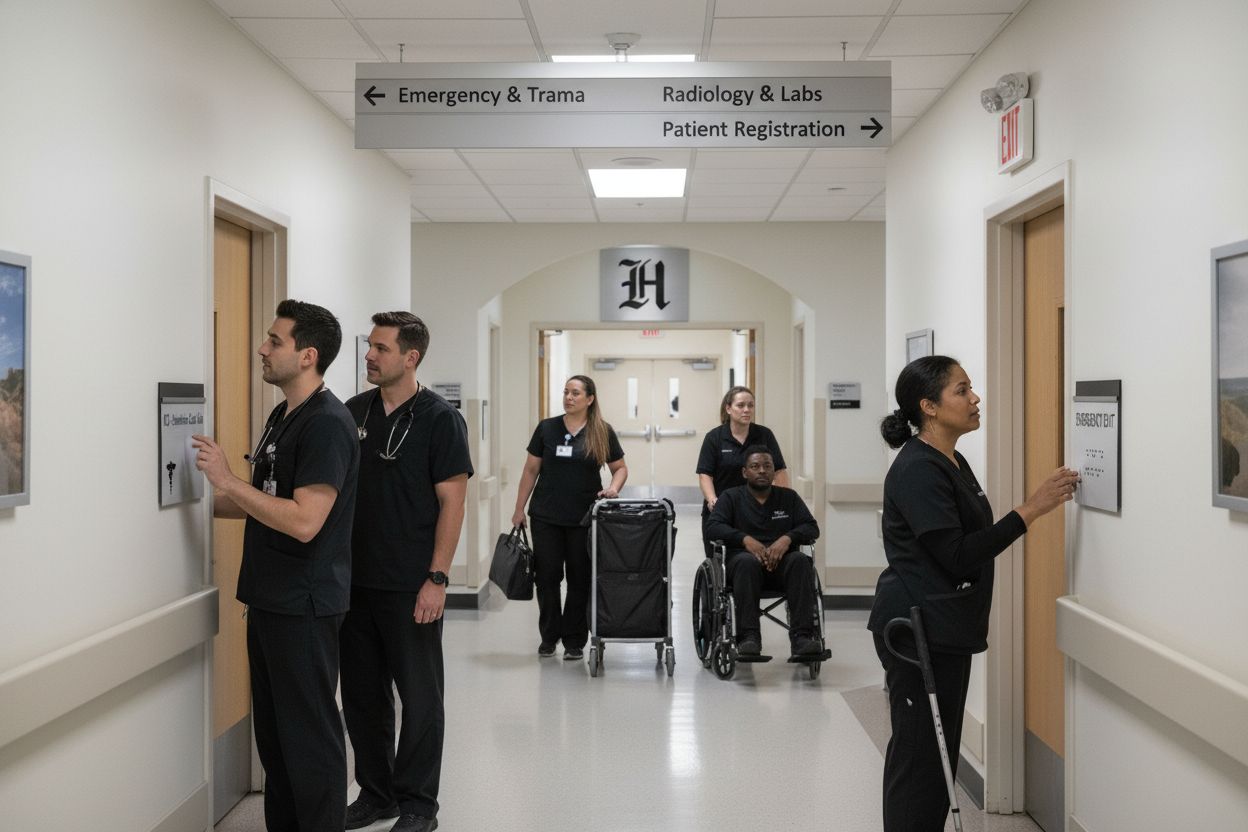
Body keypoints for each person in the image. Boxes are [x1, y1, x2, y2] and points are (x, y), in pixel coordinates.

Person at [869, 356, 1079, 832]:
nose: (975, 398)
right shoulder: (918, 469)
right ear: (929, 407)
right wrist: (1031, 508)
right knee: (919, 757)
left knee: (935, 756)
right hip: (915, 630)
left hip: (946, 626)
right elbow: (958, 555)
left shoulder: (952, 460)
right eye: (962, 390)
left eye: (971, 388)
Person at [193, 300, 359, 832]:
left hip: (304, 605)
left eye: (275, 341)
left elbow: (305, 521)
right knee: (277, 741)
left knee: (309, 740)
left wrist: (226, 480)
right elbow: (260, 500)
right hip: (269, 599)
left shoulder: (328, 424)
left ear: (307, 355)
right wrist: (186, 500)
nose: (262, 349)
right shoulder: (283, 416)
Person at [340, 312, 473, 832]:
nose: (369, 356)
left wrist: (437, 579)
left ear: (410, 357)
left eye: (380, 348)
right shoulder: (354, 412)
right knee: (362, 696)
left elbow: (453, 503)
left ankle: (418, 804)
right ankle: (376, 794)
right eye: (370, 346)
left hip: (411, 584)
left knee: (419, 698)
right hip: (354, 582)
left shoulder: (440, 419)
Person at [511, 375, 627, 660]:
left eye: (575, 393)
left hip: (584, 519)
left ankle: (574, 640)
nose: (569, 397)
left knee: (579, 578)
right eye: (566, 392)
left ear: (590, 399)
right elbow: (530, 470)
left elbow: (620, 468)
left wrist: (613, 488)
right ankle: (549, 636)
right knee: (547, 578)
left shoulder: (601, 431)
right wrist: (518, 509)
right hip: (546, 516)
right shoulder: (547, 428)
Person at [704, 446, 821, 658]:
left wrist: (787, 539)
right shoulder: (731, 497)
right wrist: (745, 539)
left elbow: (811, 527)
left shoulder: (789, 498)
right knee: (746, 562)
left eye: (767, 466)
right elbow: (713, 527)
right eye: (755, 466)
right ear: (745, 472)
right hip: (743, 569)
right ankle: (749, 638)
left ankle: (802, 638)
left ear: (774, 471)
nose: (762, 471)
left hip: (781, 567)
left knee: (800, 560)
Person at [696, 386, 789, 555]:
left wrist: (783, 501)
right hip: (723, 510)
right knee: (725, 559)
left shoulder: (764, 435)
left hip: (758, 509)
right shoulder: (714, 437)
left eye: (750, 405)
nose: (747, 410)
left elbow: (779, 471)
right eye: (740, 405)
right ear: (728, 408)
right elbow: (705, 474)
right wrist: (712, 500)